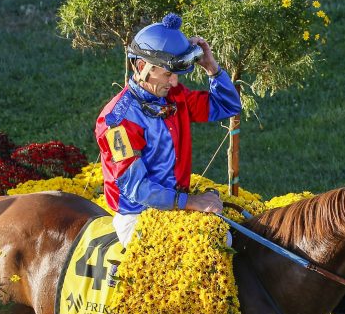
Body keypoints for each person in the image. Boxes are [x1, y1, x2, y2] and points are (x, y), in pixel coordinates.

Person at [95, 13, 242, 246]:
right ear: (143, 67)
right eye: (167, 74)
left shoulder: (175, 96)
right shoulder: (117, 121)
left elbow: (228, 106)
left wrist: (212, 68)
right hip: (138, 216)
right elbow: (137, 189)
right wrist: (192, 202)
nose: (174, 82)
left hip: (177, 206)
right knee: (213, 247)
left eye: (176, 74)